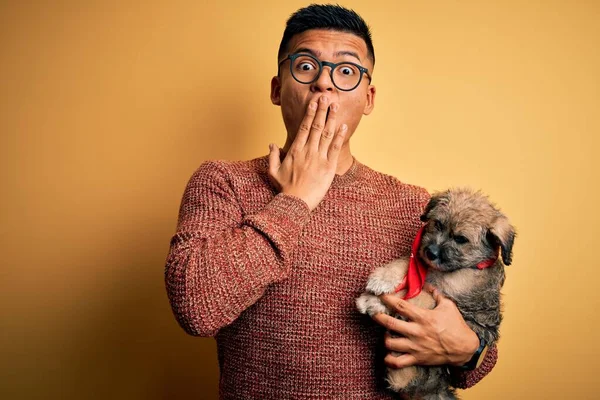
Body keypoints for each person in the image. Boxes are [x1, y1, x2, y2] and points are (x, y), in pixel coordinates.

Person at [164, 4, 498, 399]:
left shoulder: (416, 207)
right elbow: (198, 309)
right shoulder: (223, 182)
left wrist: (468, 350)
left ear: (369, 97)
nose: (324, 82)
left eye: (345, 71)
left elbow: (475, 343)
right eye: (306, 66)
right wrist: (297, 198)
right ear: (276, 88)